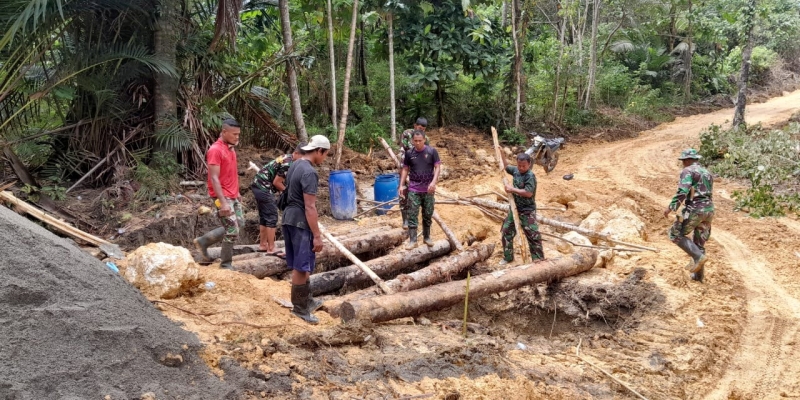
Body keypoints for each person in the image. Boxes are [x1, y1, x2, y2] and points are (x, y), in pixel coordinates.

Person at [282, 135, 330, 324]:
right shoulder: (309, 172)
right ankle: (300, 309)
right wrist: (317, 236)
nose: (324, 159)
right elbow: (310, 206)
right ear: (319, 151)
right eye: (325, 155)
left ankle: (306, 301)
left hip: (289, 217)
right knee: (302, 266)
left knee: (303, 263)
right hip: (301, 221)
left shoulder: (295, 164)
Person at [193, 119, 245, 269]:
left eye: (239, 134)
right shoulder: (215, 150)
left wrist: (237, 191)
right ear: (224, 132)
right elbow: (213, 178)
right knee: (232, 230)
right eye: (234, 134)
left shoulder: (231, 148)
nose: (237, 137)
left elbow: (231, 172)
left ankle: (203, 241)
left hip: (232, 193)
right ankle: (226, 265)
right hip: (221, 195)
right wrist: (222, 202)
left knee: (240, 223)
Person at [663, 148, 714, 282]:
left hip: (695, 209)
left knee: (674, 234)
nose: (683, 164)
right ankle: (698, 277)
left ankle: (698, 257)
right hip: (709, 210)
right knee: (699, 242)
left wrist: (671, 207)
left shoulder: (688, 171)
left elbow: (683, 191)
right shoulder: (707, 173)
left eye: (683, 161)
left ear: (687, 160)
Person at [250, 145, 304, 257]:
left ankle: (263, 245)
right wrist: (288, 193)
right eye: (302, 157)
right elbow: (277, 183)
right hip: (264, 187)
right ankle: (271, 248)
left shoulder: (287, 157)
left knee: (264, 216)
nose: (303, 161)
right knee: (272, 216)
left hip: (258, 184)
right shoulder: (288, 164)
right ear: (297, 153)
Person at [398, 130, 441, 249]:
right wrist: (401, 185)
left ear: (424, 140)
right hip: (414, 189)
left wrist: (433, 182)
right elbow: (405, 169)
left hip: (428, 189)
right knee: (412, 214)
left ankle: (427, 237)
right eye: (415, 141)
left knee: (427, 214)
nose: (417, 143)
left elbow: (437, 167)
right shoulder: (409, 154)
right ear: (412, 141)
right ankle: (413, 240)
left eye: (420, 141)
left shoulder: (431, 152)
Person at [499, 153, 544, 265]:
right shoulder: (515, 171)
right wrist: (501, 153)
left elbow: (528, 193)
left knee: (533, 236)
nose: (521, 168)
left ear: (529, 164)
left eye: (524, 166)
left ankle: (538, 260)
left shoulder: (530, 176)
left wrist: (512, 189)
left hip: (527, 210)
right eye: (519, 165)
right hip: (515, 208)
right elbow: (505, 166)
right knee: (506, 231)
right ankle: (508, 257)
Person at [397, 117, 430, 230]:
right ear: (415, 126)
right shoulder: (407, 134)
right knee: (403, 195)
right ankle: (405, 220)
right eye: (419, 128)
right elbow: (402, 153)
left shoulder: (426, 139)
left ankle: (415, 220)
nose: (421, 130)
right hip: (406, 169)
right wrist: (403, 173)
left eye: (424, 129)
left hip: (418, 173)